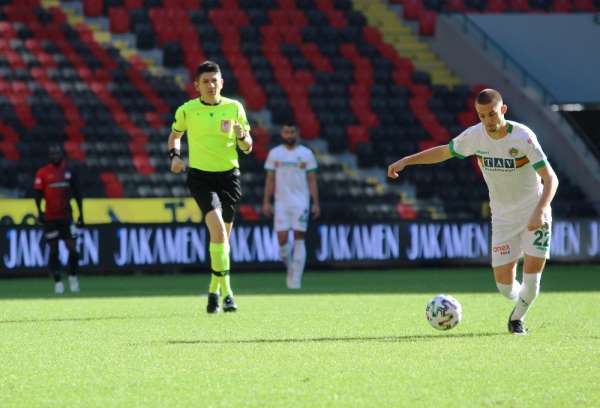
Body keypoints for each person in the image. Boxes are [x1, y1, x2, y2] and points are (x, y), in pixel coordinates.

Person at [387, 89, 559, 335]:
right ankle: (521, 299)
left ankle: (516, 320)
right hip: (503, 219)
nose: (488, 120)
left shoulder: (523, 137)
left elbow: (551, 179)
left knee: (532, 281)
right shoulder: (475, 136)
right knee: (504, 286)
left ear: (503, 110)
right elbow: (444, 152)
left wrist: (540, 210)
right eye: (482, 116)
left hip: (535, 212)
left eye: (492, 114)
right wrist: (407, 160)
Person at [167, 60, 253, 314]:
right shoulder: (188, 110)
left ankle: (213, 291)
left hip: (229, 177)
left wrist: (241, 136)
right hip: (201, 177)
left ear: (222, 83)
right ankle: (228, 294)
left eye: (215, 80)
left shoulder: (234, 107)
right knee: (217, 231)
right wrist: (174, 155)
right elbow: (175, 135)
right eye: (205, 81)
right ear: (196, 85)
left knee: (223, 241)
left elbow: (248, 147)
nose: (211, 84)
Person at [262, 123, 320, 289]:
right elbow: (270, 179)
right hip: (281, 202)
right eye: (286, 132)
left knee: (299, 237)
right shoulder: (275, 154)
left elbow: (312, 180)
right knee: (282, 240)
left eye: (292, 132)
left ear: (297, 133)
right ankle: (291, 269)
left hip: (301, 202)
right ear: (282, 133)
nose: (289, 135)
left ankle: (296, 280)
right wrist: (266, 201)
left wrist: (315, 202)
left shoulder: (306, 154)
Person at [33, 144, 84, 294]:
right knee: (54, 251)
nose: (55, 155)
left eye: (57, 153)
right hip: (50, 218)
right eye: (52, 153)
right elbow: (37, 195)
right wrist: (40, 212)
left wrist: (82, 214)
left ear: (61, 155)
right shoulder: (43, 172)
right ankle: (58, 282)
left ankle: (73, 278)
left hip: (67, 218)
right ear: (49, 156)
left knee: (73, 250)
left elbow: (78, 194)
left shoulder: (69, 171)